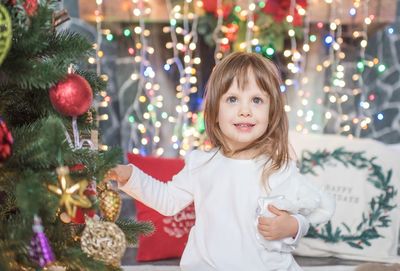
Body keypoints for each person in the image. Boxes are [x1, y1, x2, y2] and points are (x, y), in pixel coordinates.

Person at [104, 52, 335, 270]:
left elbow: (316, 209)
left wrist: (293, 226)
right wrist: (129, 175)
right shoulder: (201, 164)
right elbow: (167, 200)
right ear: (214, 112)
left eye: (256, 100)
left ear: (271, 113)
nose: (245, 110)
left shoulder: (278, 168)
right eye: (233, 99)